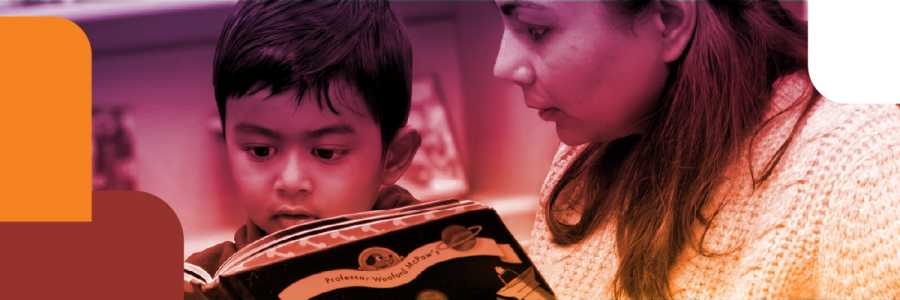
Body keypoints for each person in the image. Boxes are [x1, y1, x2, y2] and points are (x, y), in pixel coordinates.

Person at [492, 0, 900, 299]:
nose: (503, 65)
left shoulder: (865, 159)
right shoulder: (581, 159)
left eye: (535, 29)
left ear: (668, 20)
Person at [186, 0, 422, 276]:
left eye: (325, 152)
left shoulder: (445, 247)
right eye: (261, 151)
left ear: (393, 157)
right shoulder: (209, 282)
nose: (291, 182)